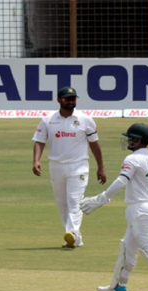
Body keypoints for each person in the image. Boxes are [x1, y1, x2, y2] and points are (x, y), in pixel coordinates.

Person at [80, 123, 148, 291]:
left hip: (139, 209)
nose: (128, 140)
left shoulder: (133, 159)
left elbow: (121, 181)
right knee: (127, 246)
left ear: (137, 140)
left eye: (130, 138)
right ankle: (118, 286)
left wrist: (101, 199)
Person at [32, 86, 106, 249]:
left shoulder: (85, 119)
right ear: (59, 100)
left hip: (78, 166)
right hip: (56, 166)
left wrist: (100, 167)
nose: (70, 102)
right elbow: (39, 141)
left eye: (73, 99)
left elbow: (95, 145)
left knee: (74, 201)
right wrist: (36, 160)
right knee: (62, 203)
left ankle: (71, 232)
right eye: (66, 99)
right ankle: (76, 238)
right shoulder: (48, 119)